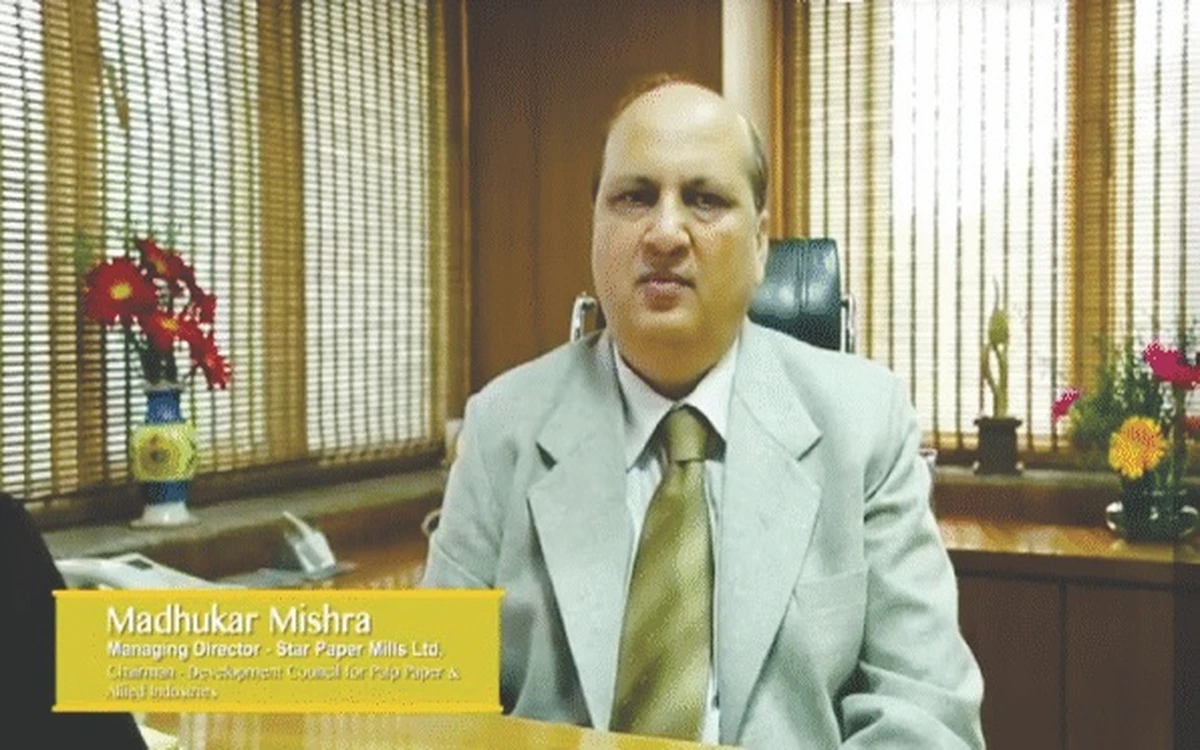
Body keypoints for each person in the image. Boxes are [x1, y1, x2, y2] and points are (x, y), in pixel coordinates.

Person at [422, 77, 984, 749]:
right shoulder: (500, 427)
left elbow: (927, 717)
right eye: (634, 197)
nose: (665, 232)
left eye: (704, 199)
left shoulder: (864, 423)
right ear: (596, 227)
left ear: (760, 244)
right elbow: (432, 709)